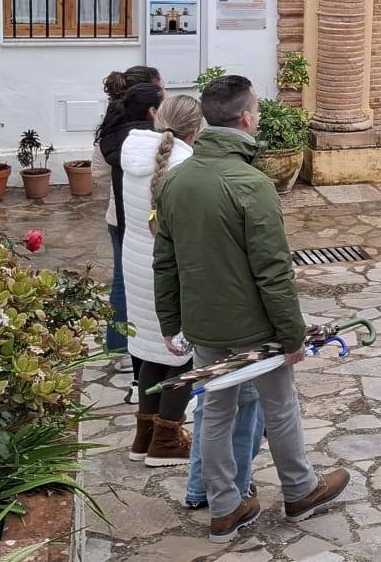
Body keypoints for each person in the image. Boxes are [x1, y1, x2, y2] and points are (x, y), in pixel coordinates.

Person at [154, 75, 350, 543]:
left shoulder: (176, 180)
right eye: (257, 111)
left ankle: (225, 507)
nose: (258, 117)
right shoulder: (251, 183)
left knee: (215, 412)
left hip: (204, 325)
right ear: (245, 118)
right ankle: (300, 489)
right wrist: (292, 334)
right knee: (280, 408)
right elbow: (273, 271)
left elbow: (165, 261)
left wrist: (170, 323)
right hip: (254, 329)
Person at [119, 93, 202, 467]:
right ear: (195, 129)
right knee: (181, 351)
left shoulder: (135, 154)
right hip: (168, 267)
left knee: (151, 348)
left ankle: (144, 436)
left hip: (136, 261)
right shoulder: (185, 166)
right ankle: (167, 438)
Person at [97, 70, 162, 367]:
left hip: (118, 214)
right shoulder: (158, 138)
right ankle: (148, 345)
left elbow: (98, 173)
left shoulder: (110, 128)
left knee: (122, 281)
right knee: (148, 281)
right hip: (147, 217)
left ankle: (118, 345)